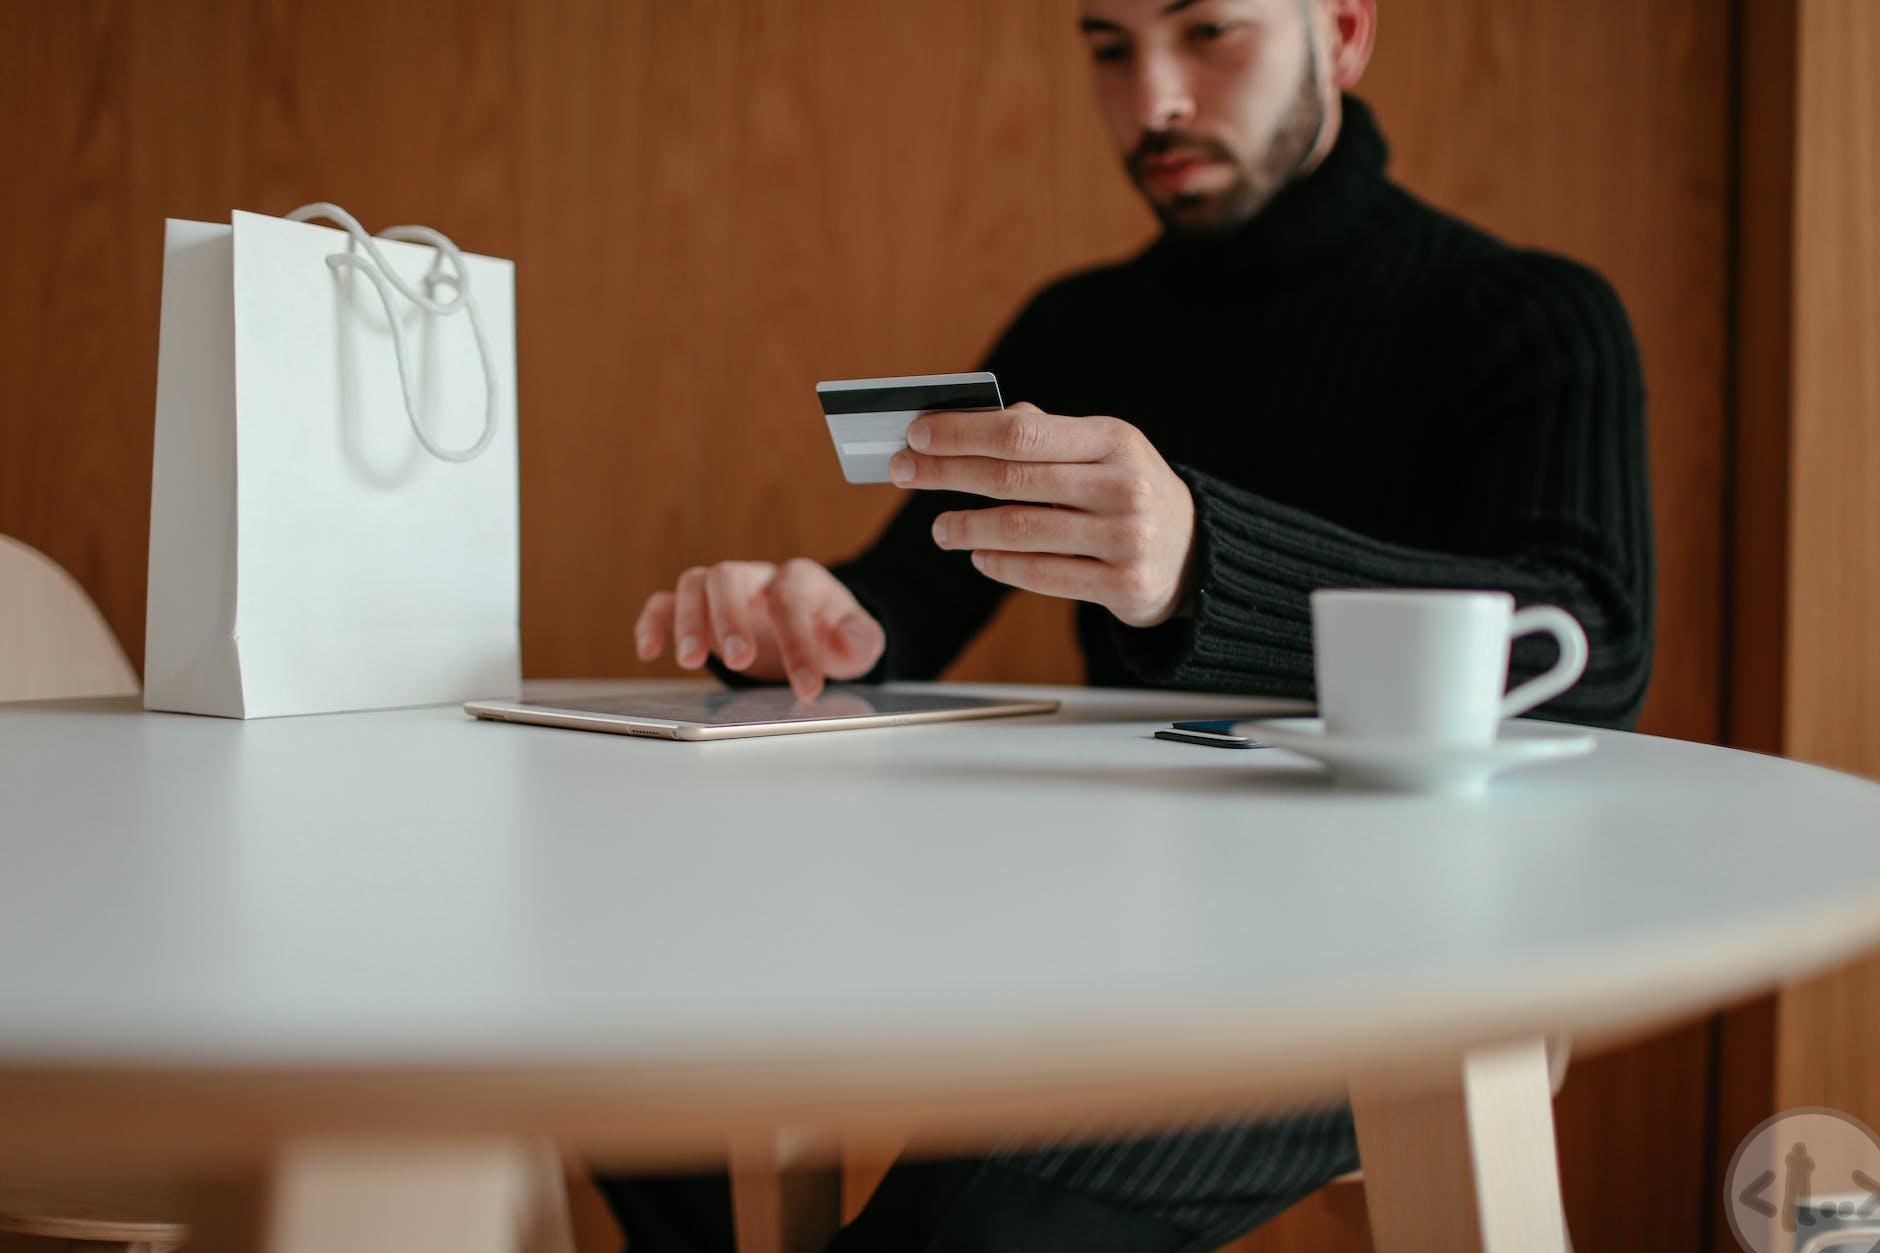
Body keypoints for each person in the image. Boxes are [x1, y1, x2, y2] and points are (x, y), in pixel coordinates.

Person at [607, 0, 1653, 1246]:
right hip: (1094, 915)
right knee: (614, 1050)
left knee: (961, 1230)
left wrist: (1204, 559)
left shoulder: (1531, 314)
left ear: (1345, 33)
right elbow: (908, 597)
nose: (1152, 96)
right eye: (1108, 46)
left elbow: (1595, 648)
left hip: (1407, 944)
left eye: (1208, 31)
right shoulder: (1079, 328)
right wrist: (813, 623)